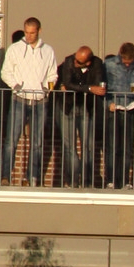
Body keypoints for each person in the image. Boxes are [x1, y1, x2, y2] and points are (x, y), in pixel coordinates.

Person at [0, 15, 58, 186]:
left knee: (37, 142)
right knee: (11, 140)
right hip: (19, 99)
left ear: (39, 31)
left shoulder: (48, 50)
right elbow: (5, 72)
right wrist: (16, 86)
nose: (29, 36)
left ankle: (31, 177)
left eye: (32, 33)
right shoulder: (15, 49)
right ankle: (6, 176)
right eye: (26, 32)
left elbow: (53, 74)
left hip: (40, 101)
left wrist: (46, 88)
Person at [57, 44, 107, 185]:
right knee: (70, 147)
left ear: (88, 62)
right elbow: (68, 83)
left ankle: (86, 181)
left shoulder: (97, 64)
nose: (75, 62)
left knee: (88, 147)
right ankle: (73, 181)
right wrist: (89, 88)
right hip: (68, 107)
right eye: (75, 58)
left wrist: (82, 88)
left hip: (86, 107)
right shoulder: (69, 61)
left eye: (78, 62)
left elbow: (97, 84)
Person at [104, 42, 134, 187]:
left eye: (130, 61)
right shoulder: (109, 64)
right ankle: (111, 180)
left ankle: (125, 181)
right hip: (114, 109)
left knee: (127, 148)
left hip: (130, 109)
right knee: (113, 147)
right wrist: (108, 103)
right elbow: (103, 86)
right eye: (125, 61)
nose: (127, 64)